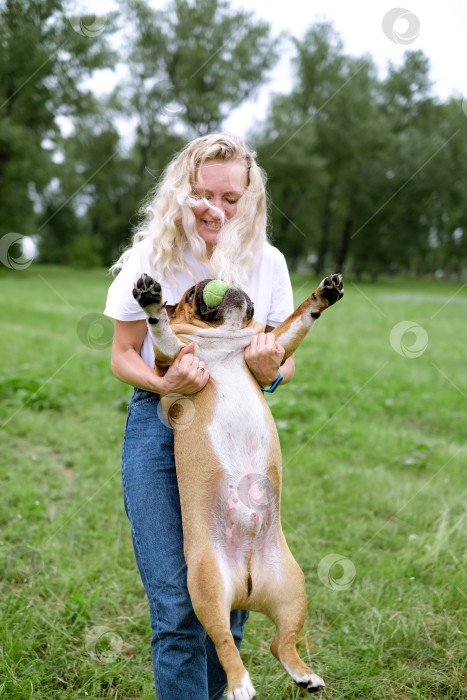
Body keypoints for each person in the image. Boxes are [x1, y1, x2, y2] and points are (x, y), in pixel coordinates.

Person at [104, 133, 295, 699]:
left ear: (249, 199)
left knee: (230, 601)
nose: (217, 209)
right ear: (182, 193)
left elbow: (282, 365)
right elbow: (120, 357)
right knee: (177, 608)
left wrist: (272, 368)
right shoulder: (150, 258)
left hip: (236, 433)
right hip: (161, 424)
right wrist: (163, 381)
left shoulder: (268, 264)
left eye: (231, 198)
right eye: (204, 194)